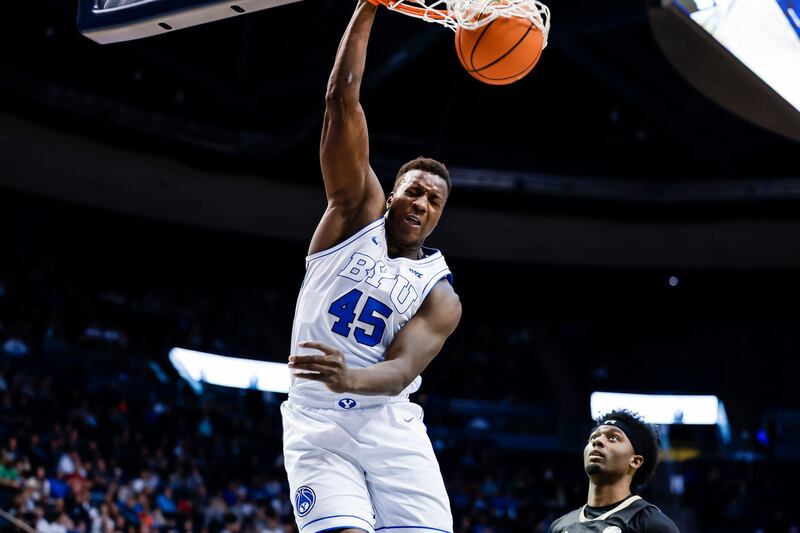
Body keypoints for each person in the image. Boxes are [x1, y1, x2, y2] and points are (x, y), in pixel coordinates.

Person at [280, 1, 462, 533]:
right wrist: (367, 8)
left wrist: (349, 376)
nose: (422, 204)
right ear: (391, 197)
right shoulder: (352, 214)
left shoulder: (440, 295)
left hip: (391, 426)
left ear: (438, 218)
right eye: (414, 191)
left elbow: (402, 371)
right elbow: (342, 101)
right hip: (317, 419)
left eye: (434, 201)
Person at [548, 410, 680, 532]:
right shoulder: (560, 526)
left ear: (635, 461)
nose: (598, 441)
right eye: (593, 437)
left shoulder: (652, 524)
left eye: (613, 438)